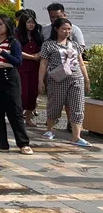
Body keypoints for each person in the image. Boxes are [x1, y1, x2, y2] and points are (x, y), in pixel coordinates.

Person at [38, 17, 92, 147]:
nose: (67, 32)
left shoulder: (75, 45)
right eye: (64, 29)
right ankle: (50, 130)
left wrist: (86, 79)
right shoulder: (48, 45)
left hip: (76, 78)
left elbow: (81, 63)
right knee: (55, 104)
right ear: (56, 29)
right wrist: (40, 80)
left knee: (78, 106)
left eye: (69, 29)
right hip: (57, 79)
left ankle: (76, 136)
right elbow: (43, 63)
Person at [0, 15, 32, 154]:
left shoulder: (13, 42)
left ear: (7, 26)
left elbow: (17, 61)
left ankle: (23, 143)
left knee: (15, 111)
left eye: (0, 24)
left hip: (9, 77)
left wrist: (2, 52)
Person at [43, 3, 86, 130]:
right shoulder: (45, 31)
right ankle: (51, 126)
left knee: (74, 102)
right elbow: (43, 57)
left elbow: (80, 52)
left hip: (74, 74)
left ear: (64, 14)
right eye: (52, 17)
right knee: (55, 102)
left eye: (57, 16)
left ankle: (72, 127)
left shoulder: (74, 30)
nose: (54, 19)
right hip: (55, 75)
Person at [16, 11, 44, 127]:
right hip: (22, 68)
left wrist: (38, 55)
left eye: (33, 22)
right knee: (23, 94)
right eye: (29, 22)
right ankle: (18, 118)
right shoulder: (17, 35)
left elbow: (43, 49)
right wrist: (32, 57)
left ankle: (28, 118)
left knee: (33, 94)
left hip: (35, 68)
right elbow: (16, 51)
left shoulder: (37, 35)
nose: (31, 25)